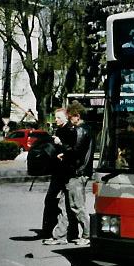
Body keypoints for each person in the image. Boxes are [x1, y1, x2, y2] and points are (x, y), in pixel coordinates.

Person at [43, 101, 93, 246]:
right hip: (76, 172)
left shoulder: (81, 130)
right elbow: (77, 152)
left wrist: (61, 146)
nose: (70, 120)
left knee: (76, 206)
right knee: (65, 205)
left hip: (77, 173)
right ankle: (60, 235)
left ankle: (87, 235)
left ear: (77, 116)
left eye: (70, 117)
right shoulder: (84, 129)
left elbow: (75, 152)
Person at [41, 108, 74, 238]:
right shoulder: (60, 130)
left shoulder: (70, 130)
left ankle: (61, 229)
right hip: (58, 170)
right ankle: (51, 227)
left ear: (66, 118)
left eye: (59, 117)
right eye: (55, 117)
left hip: (64, 171)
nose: (56, 120)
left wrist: (61, 145)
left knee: (64, 202)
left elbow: (72, 150)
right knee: (52, 199)